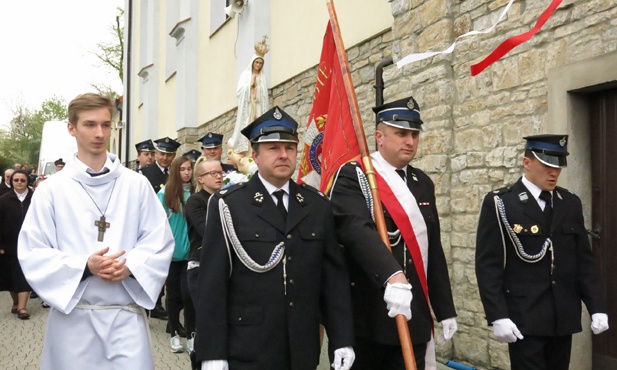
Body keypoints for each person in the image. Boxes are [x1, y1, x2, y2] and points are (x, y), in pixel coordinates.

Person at [17, 93, 175, 369]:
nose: (99, 133)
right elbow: (32, 251)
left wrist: (130, 266)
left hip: (125, 320)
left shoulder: (135, 185)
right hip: (73, 321)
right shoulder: (52, 189)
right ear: (72, 128)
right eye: (90, 125)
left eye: (105, 124)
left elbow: (159, 241)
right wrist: (85, 266)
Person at [195, 106, 355, 370]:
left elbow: (332, 281)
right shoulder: (230, 205)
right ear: (255, 155)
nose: (283, 155)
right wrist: (212, 352)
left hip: (302, 348)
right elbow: (213, 284)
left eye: (290, 148)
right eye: (273, 148)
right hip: (248, 346)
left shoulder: (316, 206)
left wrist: (342, 339)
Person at [329, 96, 457, 370]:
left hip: (414, 315)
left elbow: (431, 249)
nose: (410, 141)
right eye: (401, 134)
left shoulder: (422, 182)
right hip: (371, 317)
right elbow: (355, 231)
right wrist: (392, 275)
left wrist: (444, 308)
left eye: (414, 134)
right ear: (379, 137)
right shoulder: (355, 176)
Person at [475, 134, 609, 370]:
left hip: (563, 316)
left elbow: (583, 262)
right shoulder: (502, 203)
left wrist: (596, 306)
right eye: (547, 165)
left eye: (558, 166)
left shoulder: (569, 203)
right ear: (527, 163)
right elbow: (488, 265)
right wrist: (498, 315)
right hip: (524, 317)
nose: (554, 173)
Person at [157, 154, 195, 353]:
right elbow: (156, 222)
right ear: (176, 171)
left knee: (189, 295)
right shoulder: (165, 194)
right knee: (172, 295)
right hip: (172, 254)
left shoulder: (196, 192)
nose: (187, 173)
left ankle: (191, 335)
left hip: (191, 253)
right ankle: (173, 334)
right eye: (183, 169)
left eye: (189, 169)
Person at [0, 169, 33, 320]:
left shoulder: (35, 198)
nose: (19, 183)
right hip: (10, 243)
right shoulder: (4, 199)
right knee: (11, 275)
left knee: (24, 274)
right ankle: (15, 302)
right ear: (11, 181)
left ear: (27, 182)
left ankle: (22, 307)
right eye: (16, 180)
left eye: (22, 180)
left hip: (31, 243)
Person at [228, 37, 270, 154]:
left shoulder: (263, 77)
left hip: (258, 106)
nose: (258, 65)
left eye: (260, 63)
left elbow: (264, 95)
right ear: (252, 63)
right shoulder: (245, 75)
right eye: (256, 62)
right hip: (248, 106)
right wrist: (250, 85)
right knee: (247, 125)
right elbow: (239, 91)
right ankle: (245, 150)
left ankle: (257, 148)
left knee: (258, 126)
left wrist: (258, 88)